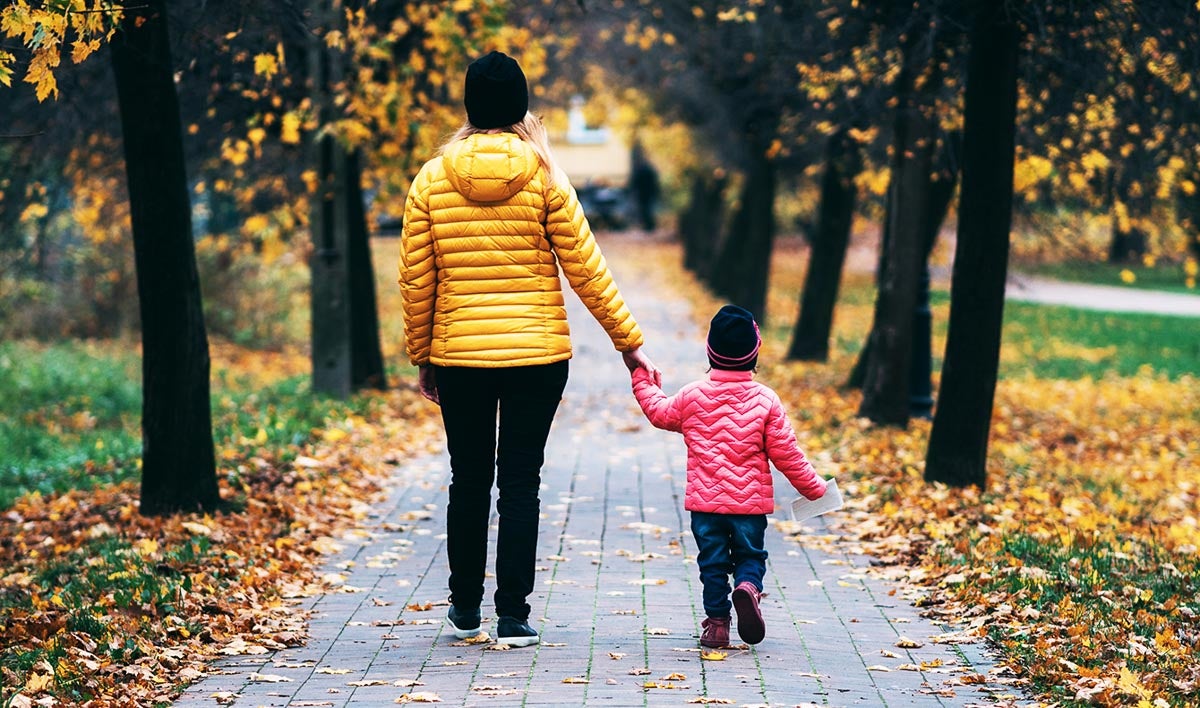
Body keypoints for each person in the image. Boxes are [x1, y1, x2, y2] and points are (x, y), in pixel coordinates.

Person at [398, 50, 660, 648]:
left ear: (469, 106)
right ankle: (512, 616)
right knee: (521, 483)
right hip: (537, 359)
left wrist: (424, 355)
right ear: (520, 106)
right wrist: (629, 345)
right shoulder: (545, 176)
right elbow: (587, 270)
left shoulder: (432, 180)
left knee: (468, 480)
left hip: (459, 356)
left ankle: (464, 611)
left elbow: (417, 278)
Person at [630, 305, 829, 648]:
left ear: (710, 351)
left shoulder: (693, 396)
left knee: (712, 564)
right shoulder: (767, 401)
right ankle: (748, 588)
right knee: (750, 557)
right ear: (755, 353)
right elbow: (788, 455)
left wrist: (640, 376)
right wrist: (815, 489)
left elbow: (659, 412)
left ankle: (718, 625)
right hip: (749, 507)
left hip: (705, 506)